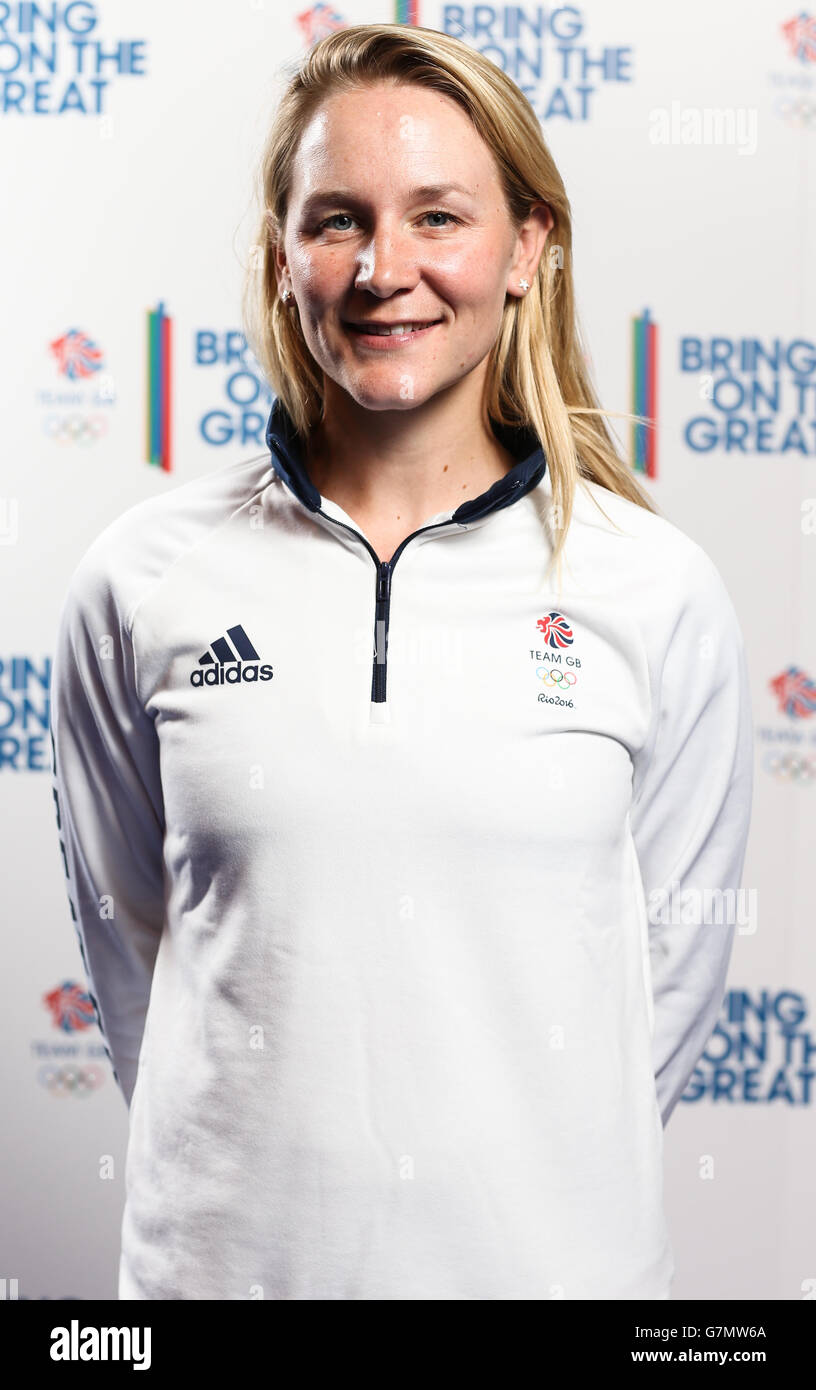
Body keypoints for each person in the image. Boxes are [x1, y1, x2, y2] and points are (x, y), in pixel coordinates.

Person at [49, 23, 753, 1300]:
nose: (385, 269)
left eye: (439, 216)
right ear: (281, 259)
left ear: (529, 247)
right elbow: (133, 955)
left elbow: (664, 996)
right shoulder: (140, 579)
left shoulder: (655, 592)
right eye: (336, 221)